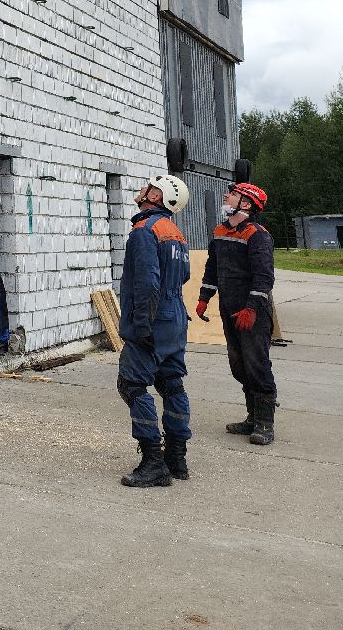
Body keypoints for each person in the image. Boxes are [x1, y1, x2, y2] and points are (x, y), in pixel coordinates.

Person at [117, 173, 192, 487]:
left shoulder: (144, 231)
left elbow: (147, 282)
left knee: (133, 385)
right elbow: (184, 275)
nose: (142, 189)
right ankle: (177, 458)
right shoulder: (174, 232)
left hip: (153, 316)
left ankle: (153, 462)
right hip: (175, 316)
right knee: (171, 383)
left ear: (157, 197)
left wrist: (143, 324)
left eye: (150, 187)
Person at [196, 183, 277, 445]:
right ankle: (251, 418)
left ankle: (265, 424)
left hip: (252, 313)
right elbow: (212, 267)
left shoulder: (257, 235)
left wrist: (252, 308)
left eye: (232, 193)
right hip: (229, 309)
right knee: (238, 365)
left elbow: (264, 277)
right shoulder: (220, 231)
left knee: (257, 365)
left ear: (246, 204)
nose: (225, 196)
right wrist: (204, 298)